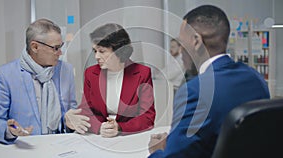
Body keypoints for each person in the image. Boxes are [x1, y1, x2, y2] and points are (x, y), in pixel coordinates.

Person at [148, 5, 270, 157]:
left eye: (181, 43)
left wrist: (157, 150)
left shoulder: (195, 91)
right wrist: (174, 141)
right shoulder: (256, 79)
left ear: (196, 41)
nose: (180, 51)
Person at [0, 19, 90, 144]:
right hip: (24, 148)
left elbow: (70, 114)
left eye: (61, 46)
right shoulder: (4, 75)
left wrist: (68, 122)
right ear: (35, 47)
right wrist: (10, 130)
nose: (60, 53)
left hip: (61, 145)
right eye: (55, 48)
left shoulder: (66, 70)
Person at [78, 23, 156, 138]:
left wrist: (120, 127)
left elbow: (147, 117)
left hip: (130, 136)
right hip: (99, 136)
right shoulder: (91, 74)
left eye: (102, 51)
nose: (96, 57)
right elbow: (85, 111)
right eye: (95, 51)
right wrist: (99, 127)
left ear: (119, 51)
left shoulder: (142, 73)